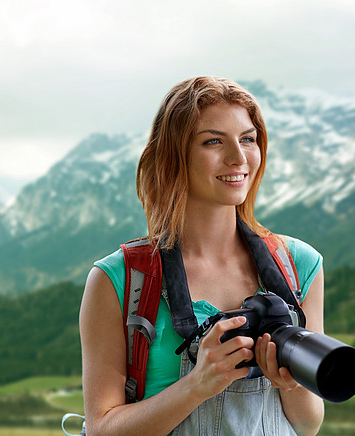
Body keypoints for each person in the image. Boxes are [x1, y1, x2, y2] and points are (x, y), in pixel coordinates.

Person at [79, 76, 326, 435]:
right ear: (174, 155)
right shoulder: (121, 279)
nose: (238, 158)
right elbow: (102, 428)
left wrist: (288, 381)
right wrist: (197, 384)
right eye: (214, 141)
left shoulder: (298, 265)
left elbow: (307, 423)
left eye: (248, 139)